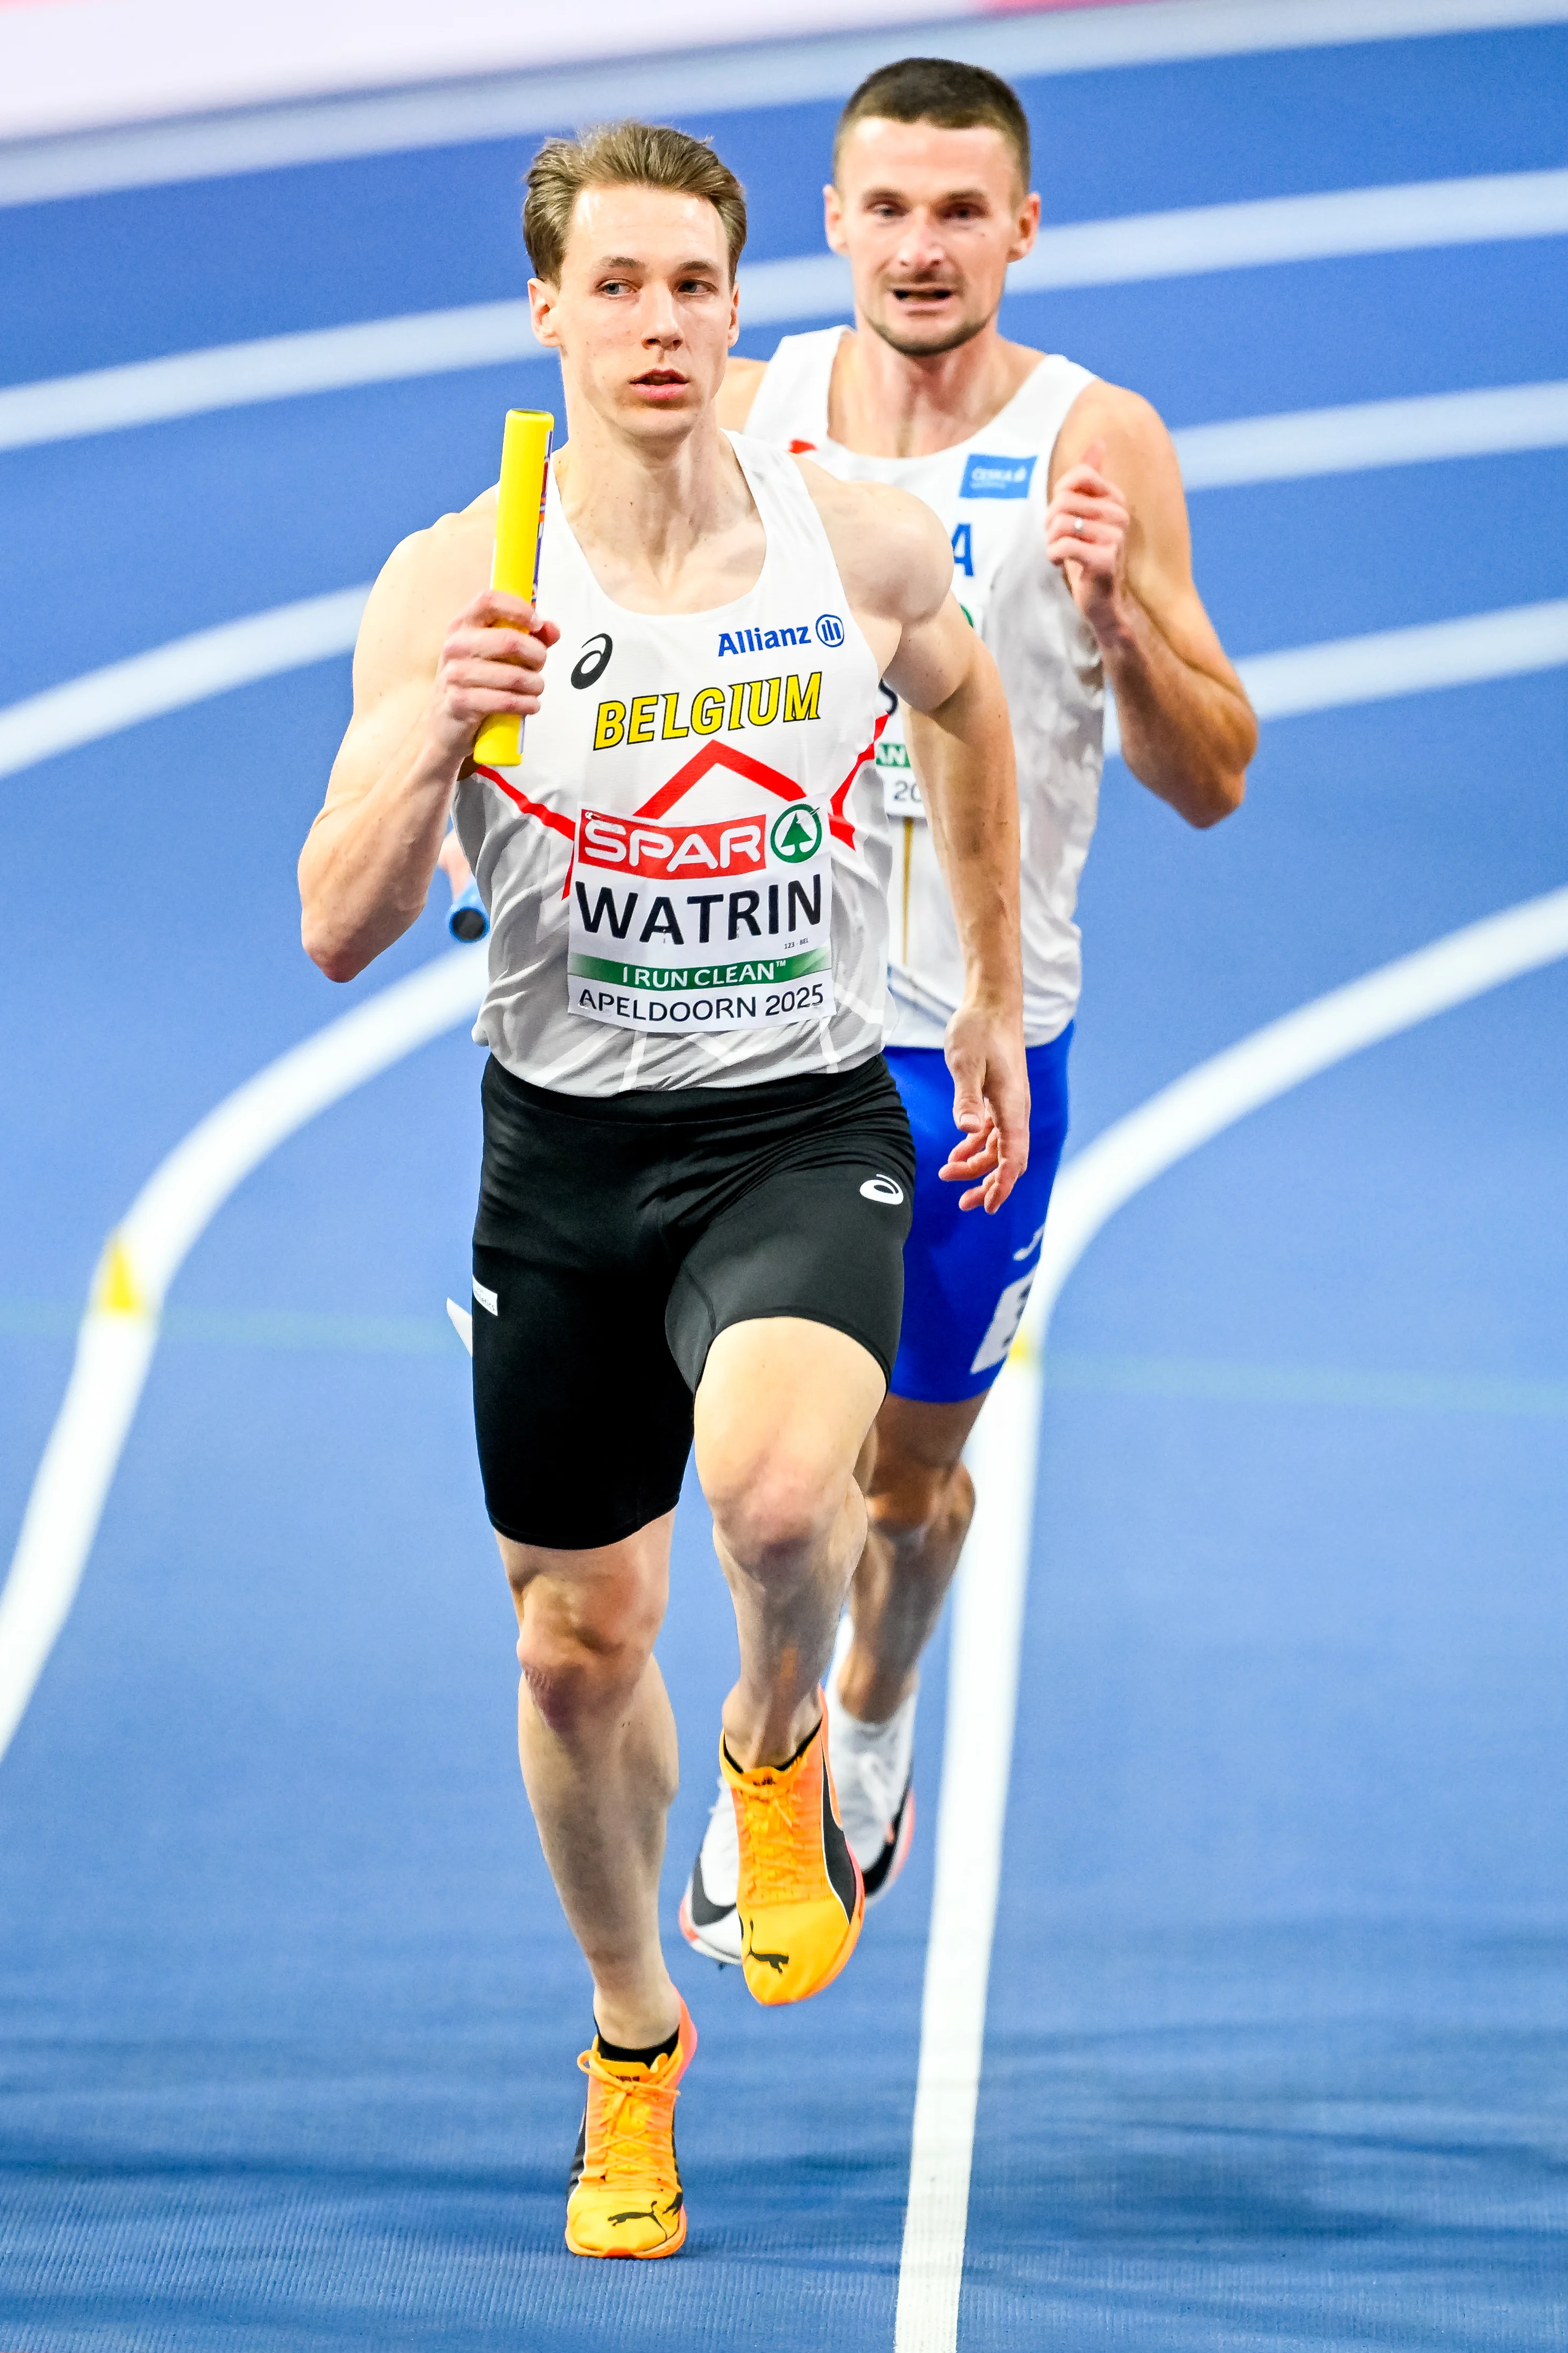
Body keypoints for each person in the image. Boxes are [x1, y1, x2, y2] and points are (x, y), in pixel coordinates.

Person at [297, 120, 1029, 2262]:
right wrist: (442, 733)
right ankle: (634, 2047)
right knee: (565, 1654)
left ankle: (778, 1741)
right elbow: (337, 925)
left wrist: (981, 990)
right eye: (614, 287)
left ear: (737, 305)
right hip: (564, 1165)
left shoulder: (855, 542)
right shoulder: (463, 581)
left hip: (797, 1128)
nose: (657, 326)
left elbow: (967, 704)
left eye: (692, 287)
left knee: (786, 1505)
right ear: (547, 310)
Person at [682, 57, 1257, 1958]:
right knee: (770, 1473)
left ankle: (869, 1713)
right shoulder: (747, 423)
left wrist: (1128, 622)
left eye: (961, 211)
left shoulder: (1103, 440)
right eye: (888, 209)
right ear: (830, 224)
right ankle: (764, 1745)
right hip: (773, 1032)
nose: (922, 247)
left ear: (1024, 228)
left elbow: (1216, 770)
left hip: (987, 1047)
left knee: (907, 1490)